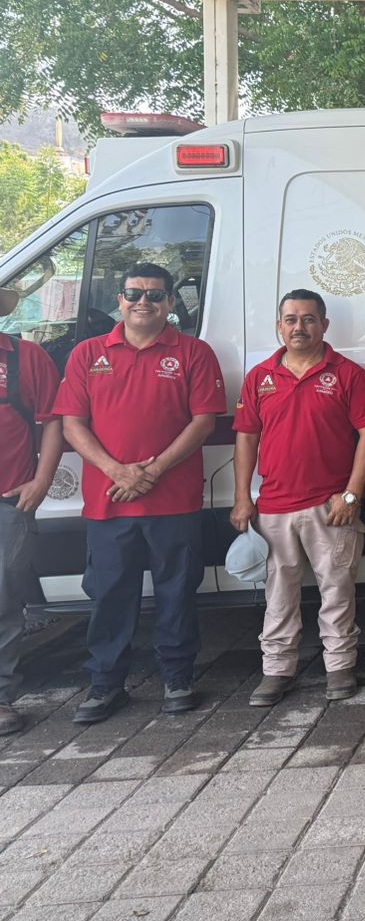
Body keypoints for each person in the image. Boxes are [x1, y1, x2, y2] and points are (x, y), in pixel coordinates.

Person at [56, 263, 228, 724]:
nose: (143, 302)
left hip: (174, 502)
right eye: (134, 293)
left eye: (155, 295)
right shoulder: (87, 354)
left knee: (177, 593)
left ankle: (178, 679)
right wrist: (119, 471)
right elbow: (72, 424)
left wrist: (151, 471)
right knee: (110, 595)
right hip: (107, 502)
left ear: (172, 302)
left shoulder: (194, 352)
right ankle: (105, 686)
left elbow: (204, 421)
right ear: (120, 299)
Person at [231, 290, 365, 707]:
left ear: (324, 325)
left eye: (309, 319)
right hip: (275, 507)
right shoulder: (260, 376)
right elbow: (246, 438)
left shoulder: (347, 374)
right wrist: (243, 498)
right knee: (279, 596)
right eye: (291, 319)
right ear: (279, 326)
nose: (300, 327)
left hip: (331, 507)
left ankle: (340, 667)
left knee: (337, 591)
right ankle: (277, 672)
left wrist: (352, 494)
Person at [0, 312, 64, 735]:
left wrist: (43, 479)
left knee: (3, 599)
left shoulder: (26, 357)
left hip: (8, 500)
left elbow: (53, 420)